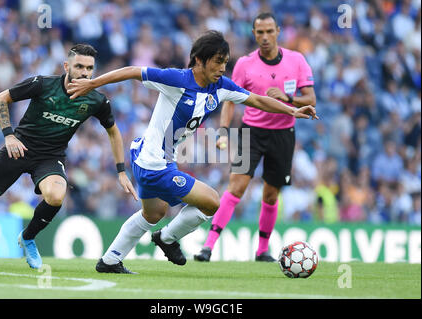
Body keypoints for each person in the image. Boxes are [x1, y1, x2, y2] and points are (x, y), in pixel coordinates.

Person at [67, 30, 318, 274]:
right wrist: (93, 84)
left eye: (225, 62)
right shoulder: (177, 80)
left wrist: (292, 111)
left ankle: (110, 260)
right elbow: (133, 71)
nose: (222, 68)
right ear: (199, 60)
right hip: (153, 163)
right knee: (211, 201)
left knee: (153, 213)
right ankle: (167, 238)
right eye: (218, 62)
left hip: (156, 160)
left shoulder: (220, 87)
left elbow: (257, 99)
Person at [0, 44, 137, 269]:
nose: (84, 73)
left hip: (50, 156)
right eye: (79, 66)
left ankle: (28, 237)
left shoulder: (97, 101)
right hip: (19, 147)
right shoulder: (42, 84)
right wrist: (9, 136)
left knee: (57, 195)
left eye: (89, 68)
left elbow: (114, 132)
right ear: (66, 66)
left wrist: (120, 171)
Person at [194, 13, 317, 263]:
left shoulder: (297, 61)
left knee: (271, 195)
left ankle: (262, 251)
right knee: (236, 187)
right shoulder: (245, 64)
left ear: (278, 31)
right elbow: (229, 99)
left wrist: (287, 98)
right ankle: (207, 247)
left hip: (283, 134)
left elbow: (311, 100)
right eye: (260, 32)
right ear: (253, 34)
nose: (265, 37)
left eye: (269, 31)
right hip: (251, 132)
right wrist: (224, 131)